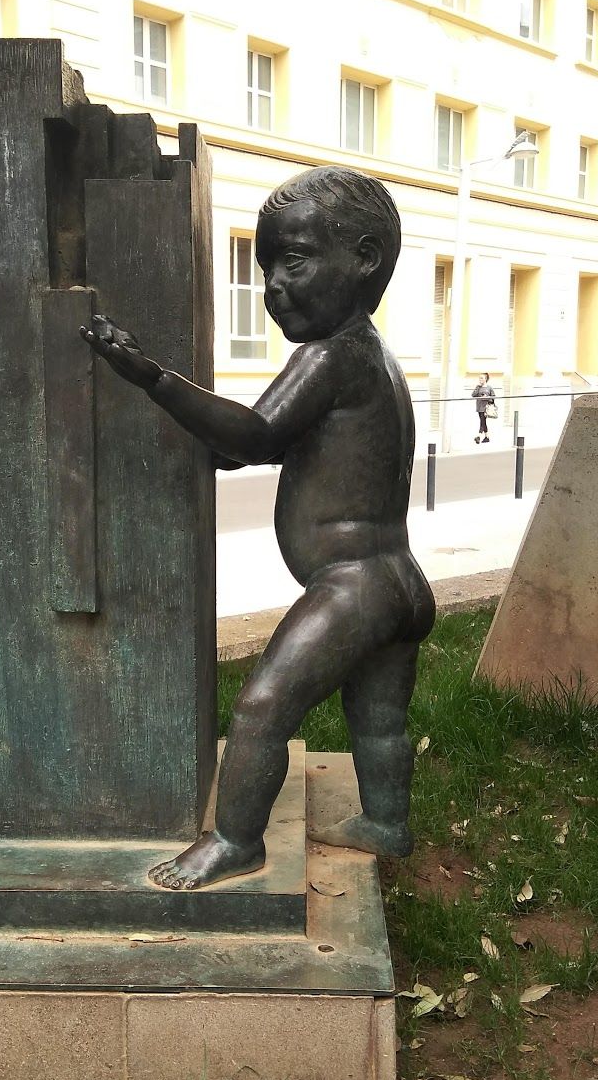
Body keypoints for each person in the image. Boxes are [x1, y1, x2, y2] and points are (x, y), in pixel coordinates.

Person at [81, 165, 436, 891]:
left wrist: (153, 378)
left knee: (262, 706)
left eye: (294, 262)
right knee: (376, 716)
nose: (274, 285)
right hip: (398, 579)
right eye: (267, 267)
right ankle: (385, 823)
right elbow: (268, 443)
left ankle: (236, 841)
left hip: (354, 584)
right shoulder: (374, 356)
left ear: (363, 259)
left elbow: (255, 434)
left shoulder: (331, 355)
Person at [472, 372, 495, 443]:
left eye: (482, 378)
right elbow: (473, 395)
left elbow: (493, 397)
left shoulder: (489, 387)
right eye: (479, 378)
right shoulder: (478, 387)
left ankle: (478, 436)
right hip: (479, 407)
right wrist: (478, 387)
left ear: (486, 379)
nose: (480, 379)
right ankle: (486, 437)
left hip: (486, 407)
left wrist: (487, 397)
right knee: (483, 421)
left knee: (482, 421)